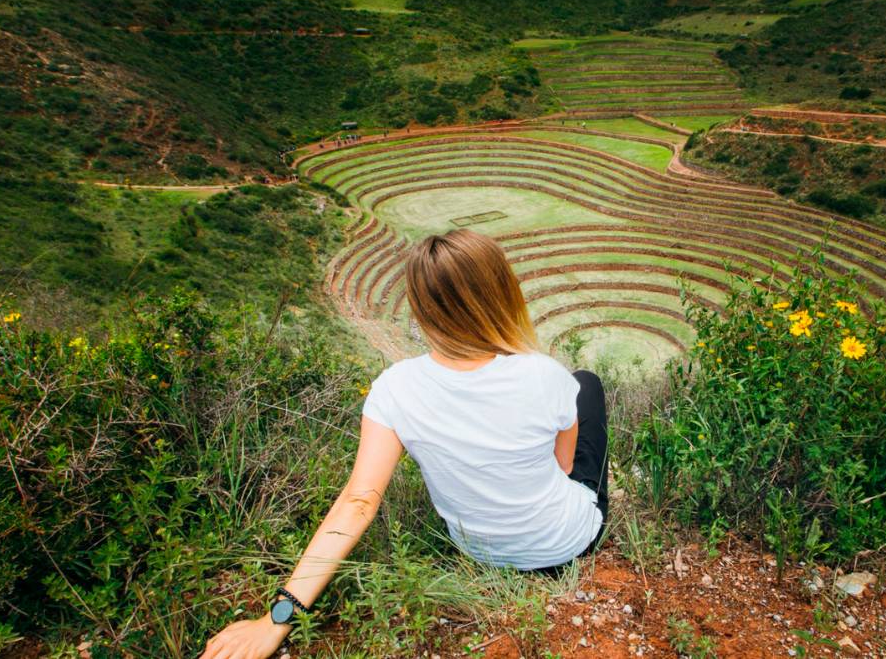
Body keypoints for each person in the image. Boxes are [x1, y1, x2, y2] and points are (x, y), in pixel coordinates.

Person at [201, 230, 608, 659]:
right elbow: (563, 468)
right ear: (502, 294)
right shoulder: (546, 375)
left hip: (478, 551)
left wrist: (277, 619)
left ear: (423, 307)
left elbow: (357, 502)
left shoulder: (394, 388)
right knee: (587, 384)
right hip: (568, 543)